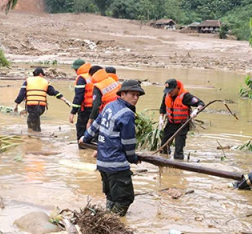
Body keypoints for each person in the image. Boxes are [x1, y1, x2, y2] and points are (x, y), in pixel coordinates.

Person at [80, 80, 145, 216]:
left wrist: (84, 138)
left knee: (111, 195)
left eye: (138, 95)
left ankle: (107, 215)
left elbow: (95, 125)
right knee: (125, 198)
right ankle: (112, 221)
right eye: (133, 94)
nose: (136, 98)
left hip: (103, 163)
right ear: (122, 94)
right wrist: (133, 158)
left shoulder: (109, 106)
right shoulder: (127, 114)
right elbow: (128, 143)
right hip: (116, 165)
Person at [159, 79, 205, 160]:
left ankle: (178, 166)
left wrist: (196, 111)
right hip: (170, 123)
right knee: (163, 147)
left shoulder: (186, 96)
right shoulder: (167, 95)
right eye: (168, 90)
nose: (169, 92)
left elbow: (201, 104)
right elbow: (163, 108)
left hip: (182, 125)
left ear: (177, 88)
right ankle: (164, 164)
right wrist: (161, 119)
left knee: (178, 150)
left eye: (171, 90)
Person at [14, 67, 69, 132]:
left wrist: (16, 105)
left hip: (31, 106)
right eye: (43, 75)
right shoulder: (45, 82)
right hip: (41, 107)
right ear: (40, 74)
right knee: (34, 120)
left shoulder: (27, 81)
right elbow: (54, 92)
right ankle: (36, 136)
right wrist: (65, 100)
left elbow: (21, 95)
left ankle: (34, 137)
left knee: (31, 123)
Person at [69, 59, 95, 141]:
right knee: (94, 129)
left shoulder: (82, 78)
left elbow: (78, 97)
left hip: (86, 108)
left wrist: (73, 112)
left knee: (81, 129)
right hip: (97, 107)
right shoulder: (93, 75)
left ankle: (82, 149)